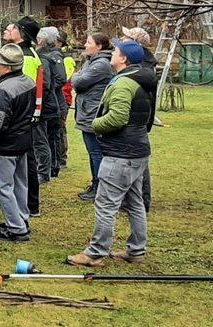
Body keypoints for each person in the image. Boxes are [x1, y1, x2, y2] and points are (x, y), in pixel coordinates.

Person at [66, 41, 156, 267]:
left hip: (120, 153)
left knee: (106, 204)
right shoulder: (140, 79)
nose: (111, 55)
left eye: (115, 52)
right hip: (138, 151)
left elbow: (117, 117)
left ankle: (96, 253)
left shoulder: (124, 83)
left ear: (124, 59)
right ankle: (136, 250)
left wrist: (94, 124)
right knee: (135, 202)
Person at [0, 44, 37, 242]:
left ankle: (17, 228)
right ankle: (21, 218)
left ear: (7, 67)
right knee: (20, 185)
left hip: (4, 146)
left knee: (3, 187)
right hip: (22, 142)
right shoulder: (28, 81)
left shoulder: (4, 90)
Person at [2, 17, 45, 217]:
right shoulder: (31, 52)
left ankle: (30, 204)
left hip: (23, 117)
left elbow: (23, 88)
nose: (10, 30)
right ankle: (29, 203)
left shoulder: (25, 57)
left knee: (27, 161)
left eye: (15, 28)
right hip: (29, 115)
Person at [73, 32, 114, 201]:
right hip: (87, 111)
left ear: (99, 46)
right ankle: (95, 184)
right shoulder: (92, 62)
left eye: (88, 42)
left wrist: (77, 76)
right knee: (93, 152)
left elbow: (77, 81)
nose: (85, 45)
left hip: (93, 113)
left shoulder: (102, 64)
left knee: (96, 153)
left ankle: (99, 187)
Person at [120, 26, 157, 212]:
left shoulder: (142, 69)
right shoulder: (144, 65)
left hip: (136, 120)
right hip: (138, 119)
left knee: (139, 163)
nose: (121, 39)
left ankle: (141, 201)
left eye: (125, 37)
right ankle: (134, 200)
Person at [36, 27, 67, 181]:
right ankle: (51, 167)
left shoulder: (52, 57)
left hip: (51, 102)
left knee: (51, 136)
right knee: (50, 136)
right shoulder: (45, 55)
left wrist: (50, 89)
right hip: (51, 101)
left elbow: (59, 79)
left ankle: (51, 168)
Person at [57, 31, 77, 171]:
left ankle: (62, 158)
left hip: (63, 98)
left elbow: (64, 80)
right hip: (58, 97)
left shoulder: (66, 59)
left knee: (60, 128)